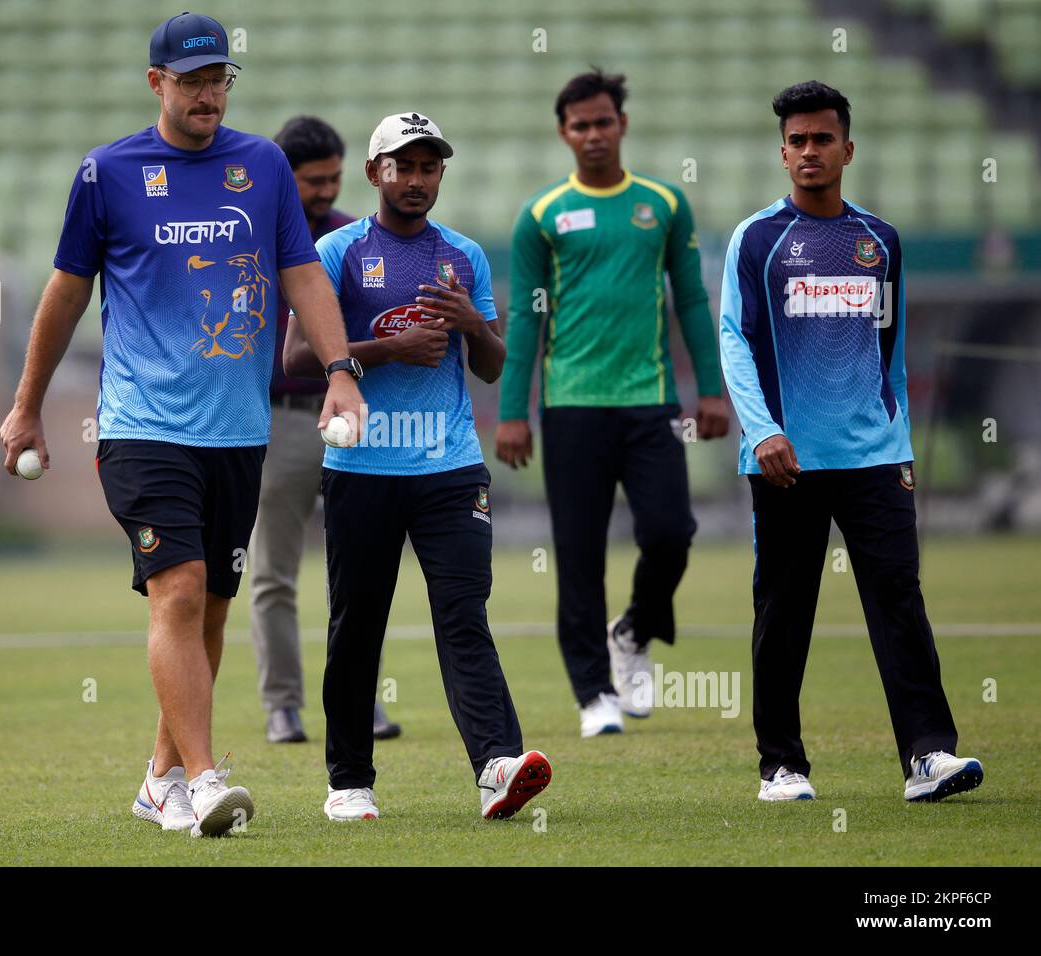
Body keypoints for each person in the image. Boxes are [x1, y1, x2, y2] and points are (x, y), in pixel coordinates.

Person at [0, 13, 364, 837]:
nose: (208, 94)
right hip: (142, 427)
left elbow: (302, 272)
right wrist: (26, 406)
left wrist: (342, 371)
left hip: (238, 431)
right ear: (156, 82)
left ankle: (158, 777)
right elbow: (65, 293)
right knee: (180, 589)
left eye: (220, 79)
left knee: (212, 612)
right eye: (192, 79)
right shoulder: (108, 174)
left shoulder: (264, 165)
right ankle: (201, 783)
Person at [718, 80, 983, 802]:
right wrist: (764, 430)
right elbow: (734, 341)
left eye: (822, 138)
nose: (810, 151)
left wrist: (896, 440)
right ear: (783, 153)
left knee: (899, 599)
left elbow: (885, 347)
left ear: (847, 148)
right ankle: (781, 766)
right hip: (785, 460)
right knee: (784, 609)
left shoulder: (880, 242)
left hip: (874, 457)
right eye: (797, 141)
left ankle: (929, 757)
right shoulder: (758, 239)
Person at [284, 111, 551, 822]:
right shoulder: (337, 252)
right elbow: (297, 359)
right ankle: (349, 784)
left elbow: (494, 370)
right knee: (357, 623)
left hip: (451, 469)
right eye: (401, 166)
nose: (415, 179)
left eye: (429, 166)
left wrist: (474, 325)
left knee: (464, 616)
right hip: (362, 466)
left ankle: (498, 765)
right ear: (375, 174)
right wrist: (382, 350)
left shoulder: (464, 256)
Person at [497, 70, 729, 737]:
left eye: (604, 122)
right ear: (563, 132)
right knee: (578, 552)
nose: (593, 134)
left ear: (622, 124)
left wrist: (710, 392)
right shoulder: (541, 215)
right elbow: (525, 321)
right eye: (580, 125)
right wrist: (515, 411)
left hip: (650, 400)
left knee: (670, 533)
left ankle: (631, 631)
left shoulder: (663, 204)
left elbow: (689, 299)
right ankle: (593, 691)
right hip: (570, 406)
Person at [247, 116, 401, 744]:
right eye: (315, 181)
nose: (328, 191)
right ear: (285, 176)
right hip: (279, 422)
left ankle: (362, 702)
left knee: (359, 569)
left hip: (347, 416)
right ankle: (282, 704)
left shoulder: (351, 238)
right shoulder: (250, 237)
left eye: (336, 178)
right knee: (272, 573)